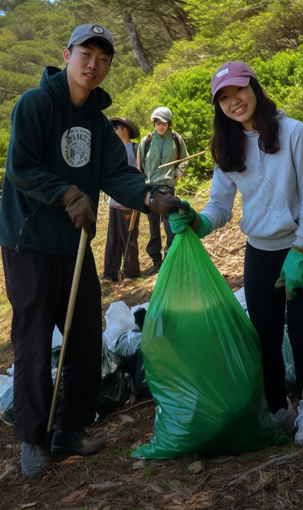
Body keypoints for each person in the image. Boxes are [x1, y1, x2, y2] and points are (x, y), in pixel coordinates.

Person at [0, 23, 188, 477]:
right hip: (29, 241)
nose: (94, 64)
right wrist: (66, 193)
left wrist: (149, 197)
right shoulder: (35, 104)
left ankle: (71, 427)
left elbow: (115, 175)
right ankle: (33, 436)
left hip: (76, 243)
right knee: (33, 335)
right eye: (87, 53)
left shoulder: (100, 126)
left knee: (85, 332)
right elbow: (21, 166)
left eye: (104, 59)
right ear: (67, 55)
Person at [169, 61, 303, 445]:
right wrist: (195, 222)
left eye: (239, 90)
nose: (234, 101)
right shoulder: (227, 147)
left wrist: (301, 248)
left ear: (255, 88)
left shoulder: (295, 133)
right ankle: (279, 411)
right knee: (265, 336)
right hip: (260, 253)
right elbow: (220, 207)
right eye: (223, 98)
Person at [138, 107, 189, 275]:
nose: (161, 126)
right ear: (154, 122)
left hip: (167, 189)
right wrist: (140, 186)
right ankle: (156, 262)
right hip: (150, 190)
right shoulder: (146, 141)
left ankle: (170, 259)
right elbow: (140, 168)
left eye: (164, 123)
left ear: (169, 123)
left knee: (169, 226)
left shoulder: (176, 139)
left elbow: (184, 159)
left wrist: (178, 173)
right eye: (158, 123)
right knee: (154, 229)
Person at [102, 117, 141, 284]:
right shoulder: (111, 150)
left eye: (114, 129)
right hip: (114, 202)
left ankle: (130, 273)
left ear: (123, 129)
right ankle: (110, 274)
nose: (112, 133)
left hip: (130, 202)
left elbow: (141, 174)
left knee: (129, 236)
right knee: (113, 239)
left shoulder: (136, 148)